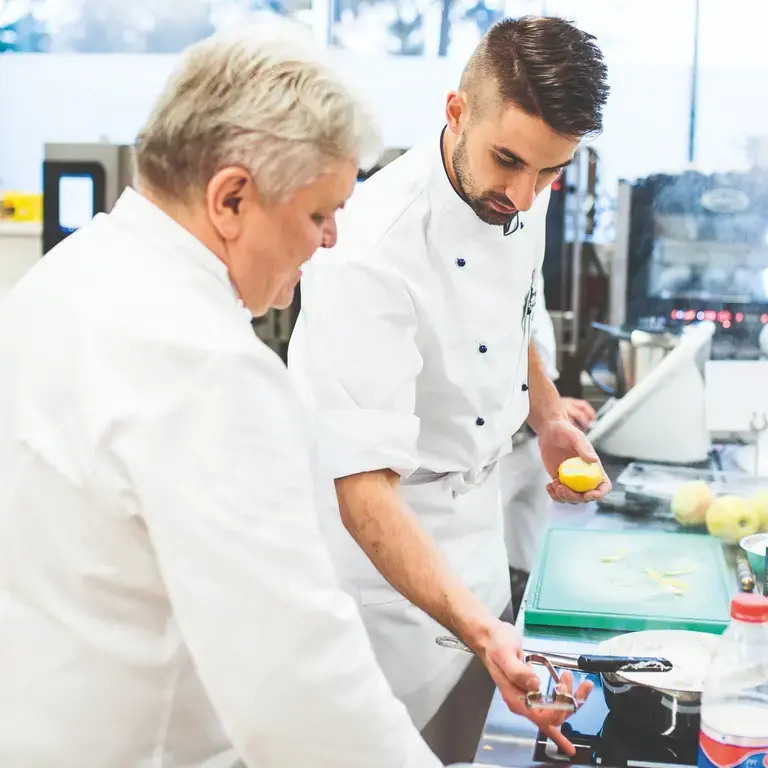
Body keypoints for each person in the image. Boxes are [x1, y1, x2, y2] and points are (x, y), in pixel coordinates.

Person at [0, 25, 444, 768]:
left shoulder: (61, 277)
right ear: (232, 198)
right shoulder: (208, 368)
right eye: (317, 213)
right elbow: (302, 697)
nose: (333, 239)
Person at [288, 15, 611, 765]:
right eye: (510, 162)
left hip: (477, 547)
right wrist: (482, 629)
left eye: (551, 173)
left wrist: (550, 413)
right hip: (383, 589)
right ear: (456, 111)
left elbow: (513, 310)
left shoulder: (517, 188)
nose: (527, 196)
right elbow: (363, 490)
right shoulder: (370, 251)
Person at [502, 287, 598, 613]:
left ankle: (527, 604)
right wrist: (543, 414)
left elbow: (523, 337)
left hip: (529, 436)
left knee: (528, 551)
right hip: (492, 448)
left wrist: (549, 412)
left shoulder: (527, 241)